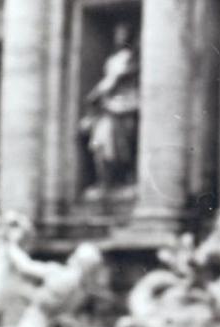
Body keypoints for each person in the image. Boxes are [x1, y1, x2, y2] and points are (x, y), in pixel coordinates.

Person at [80, 22, 139, 200]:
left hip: (124, 106)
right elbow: (108, 81)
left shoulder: (130, 58)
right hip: (108, 108)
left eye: (123, 34)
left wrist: (95, 95)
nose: (119, 37)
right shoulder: (113, 60)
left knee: (122, 147)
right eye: (117, 33)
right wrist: (96, 97)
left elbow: (113, 81)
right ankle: (105, 182)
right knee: (101, 144)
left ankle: (122, 180)